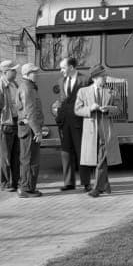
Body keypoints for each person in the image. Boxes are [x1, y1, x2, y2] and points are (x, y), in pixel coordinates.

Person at [74, 64, 122, 197]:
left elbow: (119, 109)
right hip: (91, 132)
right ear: (95, 78)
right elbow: (77, 110)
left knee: (102, 159)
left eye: (105, 76)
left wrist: (109, 109)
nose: (105, 78)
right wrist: (90, 108)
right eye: (103, 76)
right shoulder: (83, 92)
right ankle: (105, 184)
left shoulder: (112, 91)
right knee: (97, 159)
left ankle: (98, 188)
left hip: (106, 131)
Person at [57, 57, 91, 192]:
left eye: (63, 68)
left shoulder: (85, 80)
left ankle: (86, 182)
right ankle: (69, 182)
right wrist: (59, 118)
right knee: (66, 152)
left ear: (71, 67)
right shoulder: (61, 81)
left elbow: (89, 99)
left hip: (80, 122)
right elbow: (61, 100)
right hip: (65, 123)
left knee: (82, 152)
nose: (61, 71)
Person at [0, 59, 20, 192]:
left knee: (15, 156)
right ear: (6, 72)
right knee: (5, 156)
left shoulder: (14, 84)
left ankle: (15, 182)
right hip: (4, 125)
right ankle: (5, 183)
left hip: (15, 123)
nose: (16, 72)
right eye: (13, 70)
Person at [16, 62, 45, 198]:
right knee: (29, 159)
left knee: (31, 159)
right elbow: (30, 112)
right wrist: (37, 131)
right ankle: (25, 189)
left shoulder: (29, 87)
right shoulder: (27, 88)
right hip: (29, 129)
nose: (37, 74)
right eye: (34, 72)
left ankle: (29, 187)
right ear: (27, 74)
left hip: (29, 128)